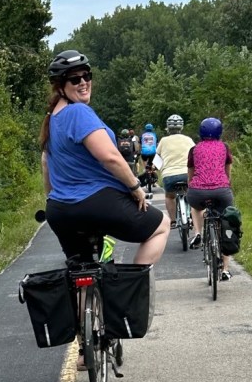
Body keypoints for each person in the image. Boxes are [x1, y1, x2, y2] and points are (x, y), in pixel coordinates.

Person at [40, 51, 169, 365]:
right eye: (75, 79)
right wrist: (135, 187)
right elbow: (110, 157)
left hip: (60, 209)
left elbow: (46, 165)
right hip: (99, 202)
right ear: (60, 85)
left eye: (87, 76)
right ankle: (126, 296)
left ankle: (85, 351)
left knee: (81, 269)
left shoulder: (53, 119)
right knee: (161, 226)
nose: (83, 82)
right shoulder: (79, 113)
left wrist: (52, 200)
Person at [184, 116, 236, 280]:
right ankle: (225, 269)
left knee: (196, 207)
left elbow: (191, 173)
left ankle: (198, 233)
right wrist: (227, 184)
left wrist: (191, 186)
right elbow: (227, 170)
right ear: (220, 132)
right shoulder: (224, 147)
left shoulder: (194, 149)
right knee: (226, 222)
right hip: (222, 191)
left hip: (197, 192)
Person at [157, 114, 195, 230]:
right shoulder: (188, 139)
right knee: (191, 194)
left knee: (170, 196)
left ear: (168, 128)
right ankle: (193, 217)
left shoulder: (163, 141)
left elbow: (157, 159)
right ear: (181, 127)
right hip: (186, 174)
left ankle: (173, 221)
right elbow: (195, 153)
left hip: (169, 176)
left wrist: (155, 168)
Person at [139, 122, 158, 188]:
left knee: (144, 160)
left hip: (144, 152)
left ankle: (145, 169)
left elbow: (140, 143)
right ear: (152, 129)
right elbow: (156, 143)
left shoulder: (142, 135)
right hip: (153, 152)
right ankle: (154, 180)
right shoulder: (154, 135)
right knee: (152, 163)